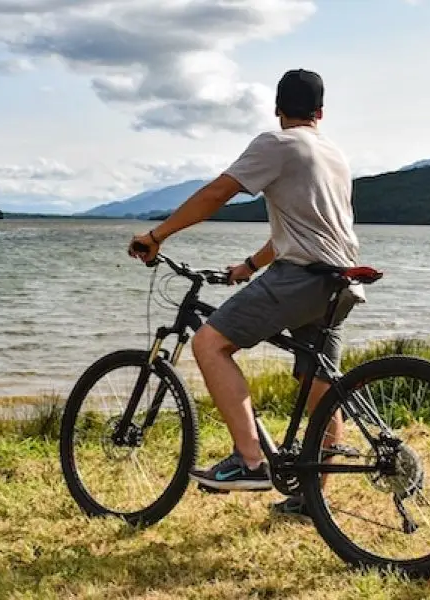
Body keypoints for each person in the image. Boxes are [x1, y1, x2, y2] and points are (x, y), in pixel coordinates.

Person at [128, 68, 360, 517]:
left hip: (302, 277)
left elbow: (218, 193)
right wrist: (250, 267)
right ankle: (314, 501)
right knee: (319, 388)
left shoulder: (276, 144)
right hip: (340, 280)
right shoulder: (334, 155)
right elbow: (306, 228)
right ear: (321, 112)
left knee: (209, 343)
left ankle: (250, 461)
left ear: (277, 109)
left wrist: (159, 235)